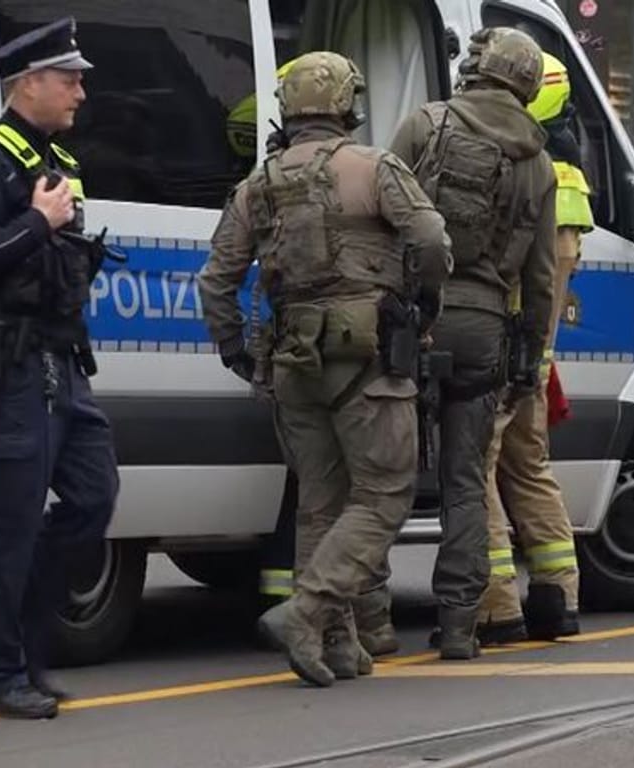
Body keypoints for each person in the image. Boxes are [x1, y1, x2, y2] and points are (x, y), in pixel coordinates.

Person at [198, 51, 451, 687]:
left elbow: (216, 281)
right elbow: (430, 240)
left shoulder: (260, 184)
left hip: (292, 362)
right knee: (385, 494)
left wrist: (235, 350)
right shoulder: (375, 167)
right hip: (368, 358)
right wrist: (423, 303)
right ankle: (308, 615)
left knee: (320, 503)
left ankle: (335, 646)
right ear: (346, 104)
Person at [390, 27, 556, 660]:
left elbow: (384, 223)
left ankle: (372, 625)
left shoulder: (424, 126)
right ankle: (460, 626)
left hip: (416, 320)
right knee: (464, 480)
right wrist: (531, 359)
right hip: (487, 327)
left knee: (387, 475)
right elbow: (539, 281)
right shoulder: (537, 161)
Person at [0, 17, 118, 720]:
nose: (81, 93)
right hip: (11, 372)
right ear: (28, 83)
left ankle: (21, 654)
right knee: (6, 527)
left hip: (63, 367)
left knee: (94, 497)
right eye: (69, 80)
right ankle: (1, 671)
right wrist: (35, 224)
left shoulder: (55, 163)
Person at [475, 49, 592, 646]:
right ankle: (558, 595)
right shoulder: (565, 173)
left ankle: (497, 606)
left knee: (480, 466)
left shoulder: (528, 168)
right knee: (529, 467)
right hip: (534, 359)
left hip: (506, 348)